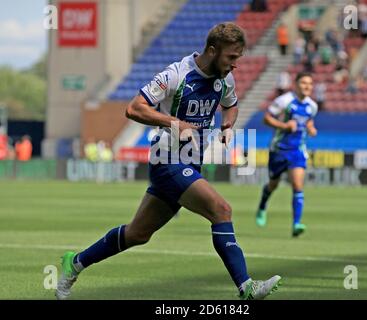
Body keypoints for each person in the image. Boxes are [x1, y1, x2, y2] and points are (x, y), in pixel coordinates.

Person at [56, 22, 281, 300]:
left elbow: (231, 104)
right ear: (212, 50)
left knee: (138, 234)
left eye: (238, 57)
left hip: (190, 162)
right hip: (167, 159)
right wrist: (176, 123)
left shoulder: (225, 78)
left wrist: (227, 127)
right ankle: (247, 287)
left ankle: (74, 263)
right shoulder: (176, 74)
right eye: (231, 57)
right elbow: (134, 108)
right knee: (221, 210)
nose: (236, 64)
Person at [255, 72, 318, 237]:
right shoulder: (284, 101)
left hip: (298, 150)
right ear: (296, 84)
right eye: (304, 83)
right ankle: (262, 205)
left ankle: (296, 224)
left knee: (298, 186)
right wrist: (284, 126)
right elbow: (266, 119)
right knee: (273, 185)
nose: (307, 86)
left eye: (310, 84)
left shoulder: (312, 106)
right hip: (279, 149)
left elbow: (308, 120)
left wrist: (311, 128)